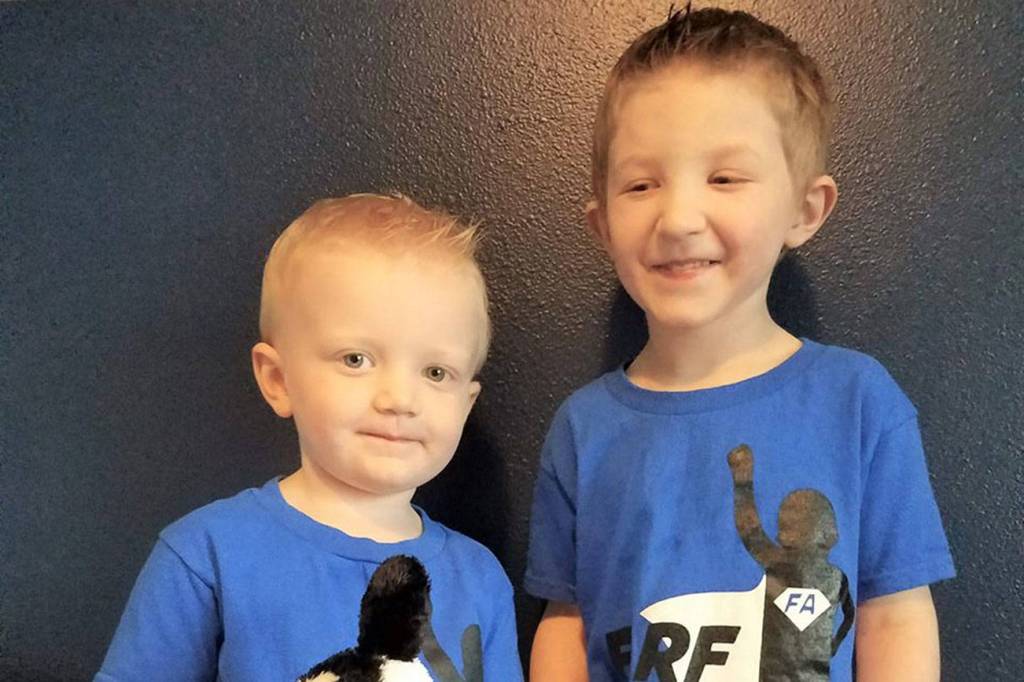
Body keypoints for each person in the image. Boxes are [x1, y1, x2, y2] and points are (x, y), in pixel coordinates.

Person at [526, 6, 955, 681]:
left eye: (724, 178)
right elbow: (566, 620)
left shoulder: (861, 403)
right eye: (641, 184)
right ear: (602, 223)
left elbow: (895, 613)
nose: (678, 218)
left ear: (804, 210)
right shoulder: (583, 428)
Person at [98, 193, 523, 681]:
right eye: (355, 359)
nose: (399, 398)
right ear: (278, 380)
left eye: (435, 371)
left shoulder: (481, 580)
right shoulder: (206, 555)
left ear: (465, 405)